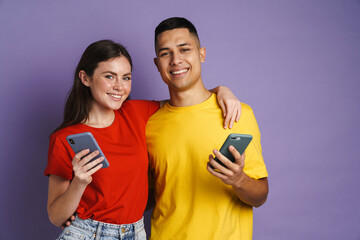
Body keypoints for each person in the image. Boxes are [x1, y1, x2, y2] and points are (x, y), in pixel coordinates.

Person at [44, 39, 242, 240]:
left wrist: (221, 90)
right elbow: (55, 216)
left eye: (126, 77)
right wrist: (79, 183)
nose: (119, 87)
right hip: (88, 233)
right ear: (85, 78)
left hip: (136, 233)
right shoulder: (63, 139)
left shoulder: (137, 113)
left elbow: (188, 99)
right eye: (109, 76)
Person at [146, 17, 269, 240]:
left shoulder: (238, 114)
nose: (176, 60)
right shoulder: (148, 124)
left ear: (201, 54)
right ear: (157, 64)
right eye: (166, 53)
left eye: (184, 49)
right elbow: (148, 195)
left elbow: (260, 197)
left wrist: (239, 180)